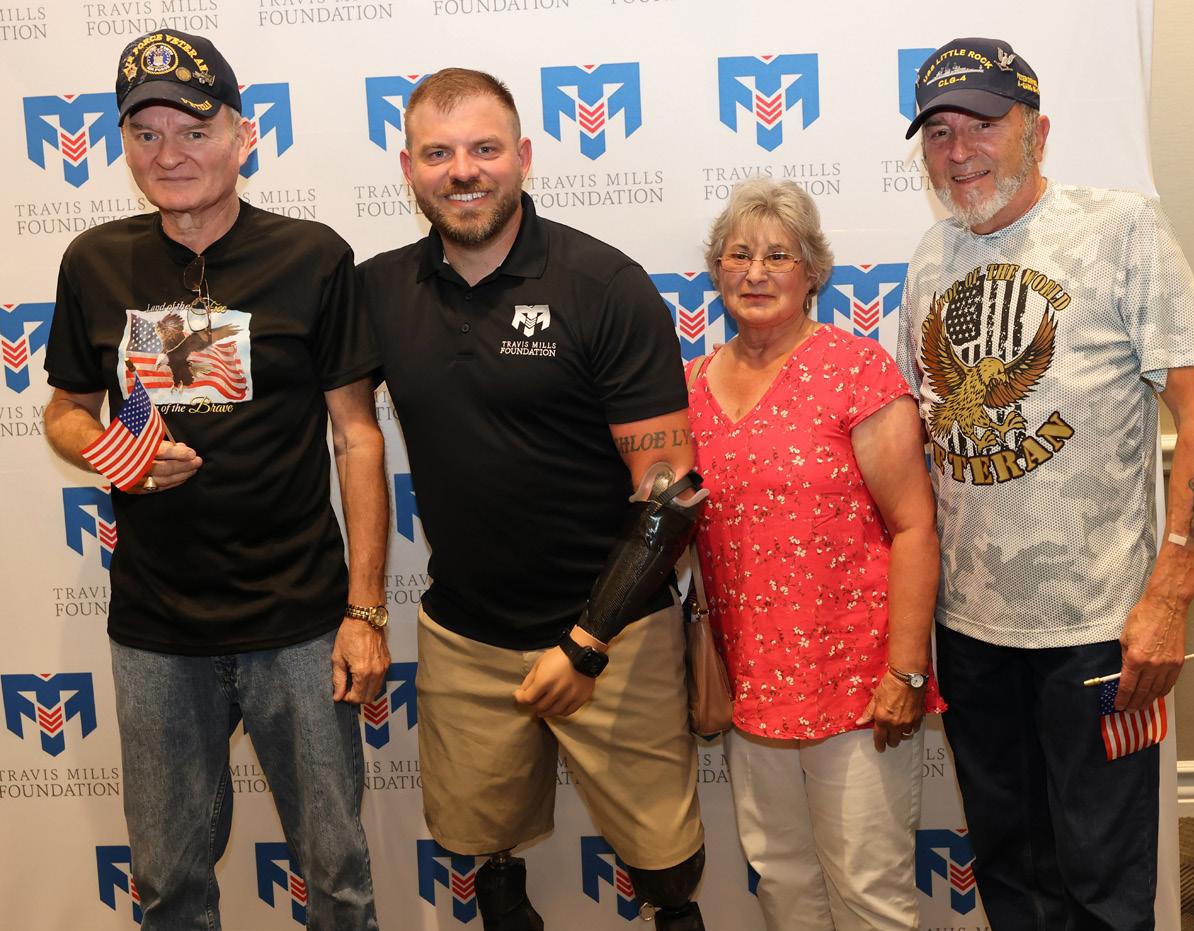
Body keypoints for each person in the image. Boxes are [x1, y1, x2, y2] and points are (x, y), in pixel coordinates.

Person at [42, 30, 388, 931]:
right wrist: (112, 452)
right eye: (146, 133)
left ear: (243, 136)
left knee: (338, 881)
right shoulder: (93, 261)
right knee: (168, 887)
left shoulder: (313, 257)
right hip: (156, 627)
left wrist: (364, 611)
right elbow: (65, 409)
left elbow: (356, 436)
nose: (170, 154)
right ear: (124, 146)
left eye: (194, 131)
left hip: (299, 621)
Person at [897, 37, 1194, 930]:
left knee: (1102, 886)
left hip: (1096, 638)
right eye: (938, 132)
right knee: (1009, 874)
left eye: (982, 123)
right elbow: (925, 445)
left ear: (1036, 131)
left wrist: (1167, 598)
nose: (958, 150)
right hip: (969, 635)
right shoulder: (928, 258)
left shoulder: (1120, 229)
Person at [357, 68, 707, 931]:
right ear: (406, 168)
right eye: (437, 153)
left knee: (669, 867)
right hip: (465, 634)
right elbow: (315, 419)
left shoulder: (604, 284)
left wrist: (586, 643)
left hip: (614, 631)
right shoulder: (376, 290)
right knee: (481, 848)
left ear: (522, 156)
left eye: (483, 148)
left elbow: (669, 495)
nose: (462, 171)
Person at [685, 178, 942, 931]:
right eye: (739, 254)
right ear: (717, 270)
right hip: (749, 685)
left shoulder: (858, 369)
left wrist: (905, 671)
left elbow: (914, 528)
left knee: (869, 889)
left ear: (812, 273)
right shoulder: (689, 385)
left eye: (778, 256)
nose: (755, 272)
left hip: (857, 685)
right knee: (782, 881)